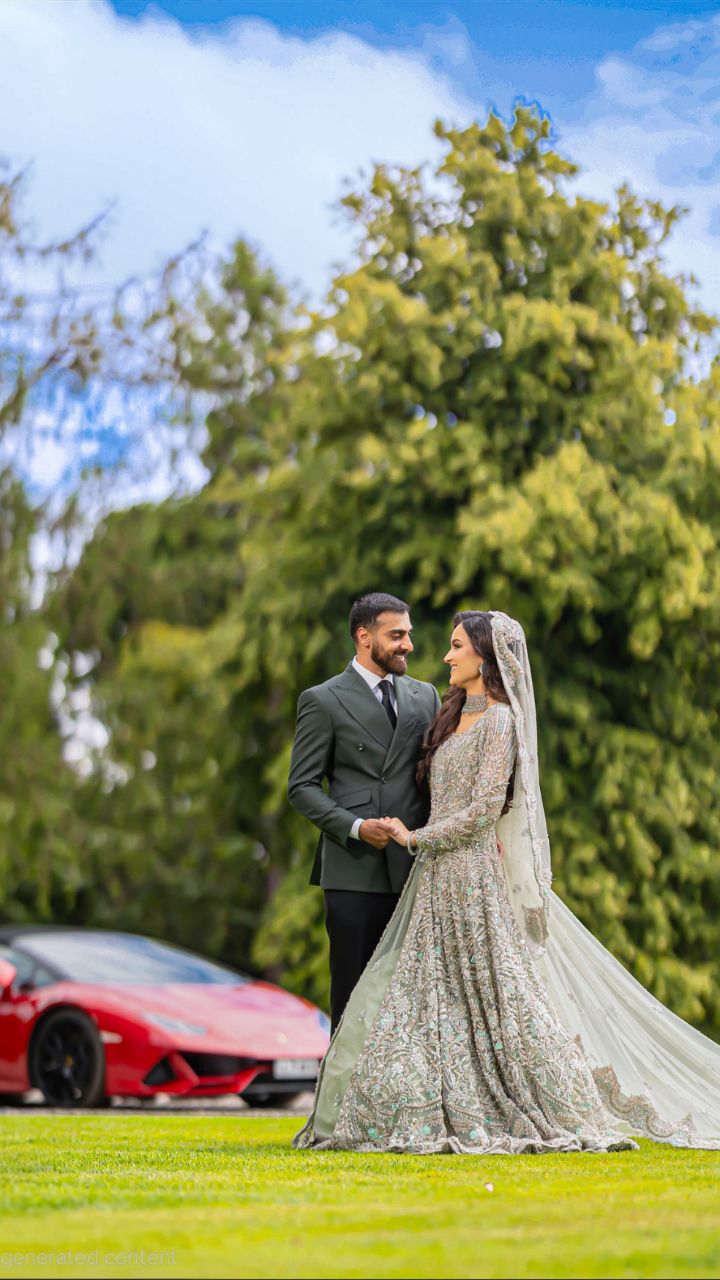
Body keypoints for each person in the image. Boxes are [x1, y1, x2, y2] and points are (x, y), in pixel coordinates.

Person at [293, 609, 720, 1154]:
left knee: (499, 994)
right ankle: (348, 1108)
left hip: (455, 869)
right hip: (412, 876)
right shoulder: (437, 710)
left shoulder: (485, 716)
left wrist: (413, 838)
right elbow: (317, 785)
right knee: (407, 1000)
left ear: (485, 656)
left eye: (452, 646)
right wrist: (379, 830)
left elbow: (484, 809)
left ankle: (526, 1096)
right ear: (363, 634)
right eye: (403, 635)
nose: (438, 654)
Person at [287, 592, 441, 1033]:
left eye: (408, 634)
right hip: (354, 873)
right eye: (396, 635)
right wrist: (355, 827)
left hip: (414, 870)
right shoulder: (323, 700)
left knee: (413, 1005)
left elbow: (437, 778)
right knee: (353, 1000)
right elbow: (300, 787)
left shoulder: (424, 696)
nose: (407, 645)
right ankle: (342, 1100)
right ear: (363, 636)